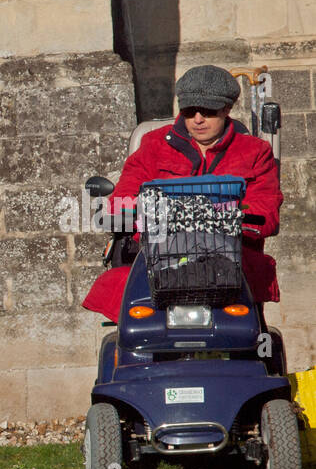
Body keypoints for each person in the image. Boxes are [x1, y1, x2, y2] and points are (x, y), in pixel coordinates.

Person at [83, 65, 282, 322]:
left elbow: (266, 210)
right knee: (129, 316)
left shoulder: (255, 151)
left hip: (229, 259)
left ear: (227, 109)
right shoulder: (152, 146)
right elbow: (121, 202)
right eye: (189, 111)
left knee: (251, 335)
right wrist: (146, 217)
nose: (198, 119)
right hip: (162, 257)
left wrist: (217, 219)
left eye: (208, 111)